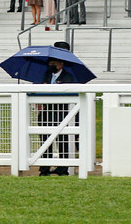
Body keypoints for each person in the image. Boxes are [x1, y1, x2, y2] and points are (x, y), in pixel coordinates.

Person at [37, 47, 77, 177]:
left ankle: (62, 168)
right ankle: (44, 169)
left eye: (54, 62)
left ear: (61, 64)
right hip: (46, 112)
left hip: (61, 113)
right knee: (45, 140)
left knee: (62, 141)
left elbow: (65, 92)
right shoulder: (46, 75)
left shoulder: (68, 77)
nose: (51, 64)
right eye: (50, 62)